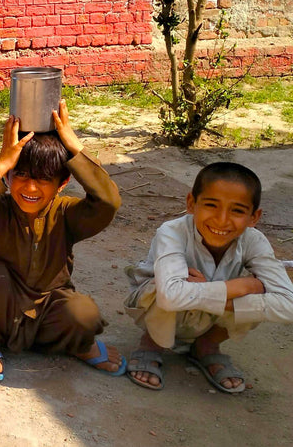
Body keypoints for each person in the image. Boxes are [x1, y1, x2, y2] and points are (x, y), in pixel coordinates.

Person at [0, 100, 125, 382]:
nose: (30, 187)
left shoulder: (68, 214)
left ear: (62, 183)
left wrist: (74, 147)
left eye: (43, 179)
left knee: (83, 314)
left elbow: (109, 202)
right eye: (22, 175)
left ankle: (78, 345)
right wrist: (3, 163)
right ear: (9, 178)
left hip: (47, 312)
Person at [124, 162, 293, 393]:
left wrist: (227, 294)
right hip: (160, 312)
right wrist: (240, 286)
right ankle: (151, 344)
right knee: (160, 287)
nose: (222, 220)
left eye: (237, 210)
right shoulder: (172, 232)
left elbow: (289, 305)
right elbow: (170, 297)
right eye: (212, 205)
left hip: (208, 312)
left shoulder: (255, 241)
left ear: (254, 217)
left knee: (257, 294)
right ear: (191, 203)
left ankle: (206, 346)